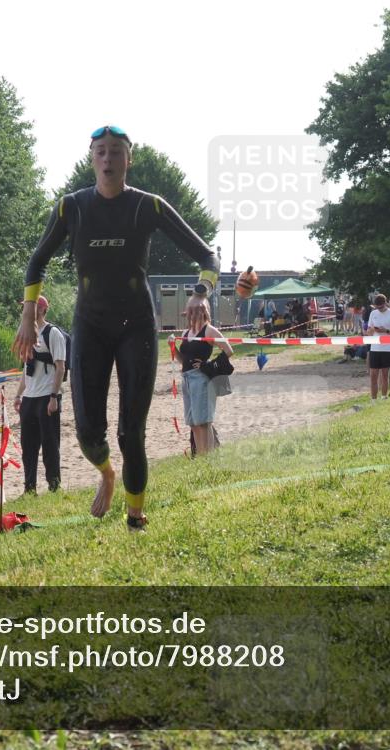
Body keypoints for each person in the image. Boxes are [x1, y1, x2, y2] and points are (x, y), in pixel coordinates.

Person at [13, 125, 220, 531]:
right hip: (89, 325)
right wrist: (26, 317)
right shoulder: (71, 208)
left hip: (136, 325)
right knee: (88, 433)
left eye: (116, 151)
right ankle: (107, 474)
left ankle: (135, 516)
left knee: (131, 432)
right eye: (101, 152)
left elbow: (207, 256)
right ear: (92, 158)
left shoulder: (148, 206)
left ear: (129, 158)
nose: (108, 159)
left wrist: (202, 292)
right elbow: (36, 262)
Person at [13, 295, 67, 494]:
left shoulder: (53, 334)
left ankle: (54, 487)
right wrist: (18, 396)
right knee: (28, 447)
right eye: (25, 307)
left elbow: (60, 368)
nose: (26, 311)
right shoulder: (26, 335)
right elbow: (26, 370)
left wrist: (53, 397)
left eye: (31, 307)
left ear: (42, 310)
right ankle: (29, 489)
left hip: (47, 397)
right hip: (29, 399)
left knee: (50, 445)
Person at [179, 304, 234, 455]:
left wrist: (208, 365)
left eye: (191, 313)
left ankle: (208, 457)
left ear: (200, 313)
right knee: (193, 423)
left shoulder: (209, 330)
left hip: (201, 378)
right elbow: (183, 360)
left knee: (204, 422)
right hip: (186, 379)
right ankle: (201, 456)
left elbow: (229, 350)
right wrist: (173, 347)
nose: (188, 317)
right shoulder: (186, 332)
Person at [365, 294, 390, 401]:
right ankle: (373, 400)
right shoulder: (373, 313)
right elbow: (368, 332)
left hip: (387, 349)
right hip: (374, 348)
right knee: (373, 376)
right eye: (377, 307)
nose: (379, 309)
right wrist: (372, 330)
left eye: (381, 307)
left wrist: (386, 330)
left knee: (385, 375)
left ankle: (384, 397)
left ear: (385, 303)